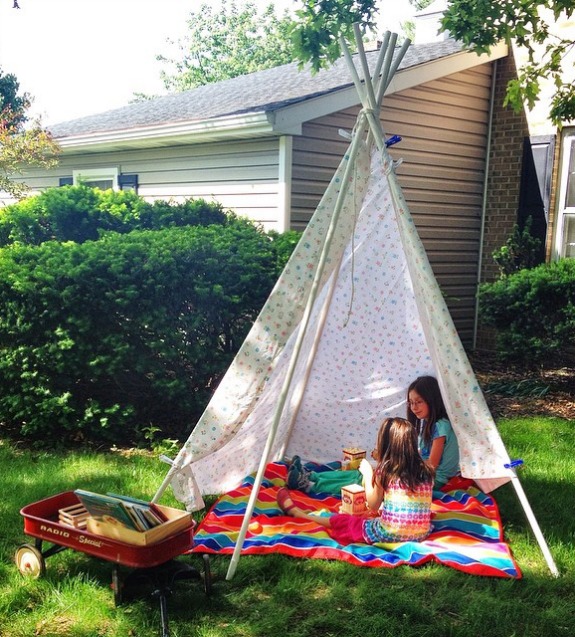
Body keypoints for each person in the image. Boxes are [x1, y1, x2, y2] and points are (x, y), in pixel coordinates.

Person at [277, 417, 434, 544]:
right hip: (420, 533)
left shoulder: (386, 471)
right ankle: (308, 476)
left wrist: (367, 474)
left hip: (390, 533)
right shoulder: (426, 471)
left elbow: (373, 505)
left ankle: (299, 514)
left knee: (345, 522)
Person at [406, 375, 460, 488]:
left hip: (438, 479)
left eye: (419, 402)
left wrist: (405, 463)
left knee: (394, 481)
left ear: (432, 400)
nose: (413, 407)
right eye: (411, 402)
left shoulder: (441, 426)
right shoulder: (429, 422)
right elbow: (425, 453)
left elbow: (431, 464)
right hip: (429, 475)